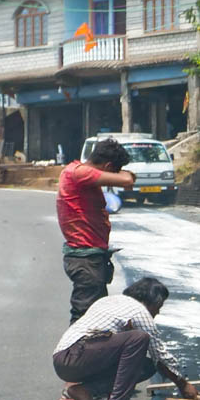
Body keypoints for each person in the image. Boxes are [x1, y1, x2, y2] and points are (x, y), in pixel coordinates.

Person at [52, 276, 198, 400]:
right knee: (139, 338)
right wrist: (183, 385)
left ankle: (84, 391)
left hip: (63, 360)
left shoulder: (108, 301)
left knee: (145, 366)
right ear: (154, 302)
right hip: (75, 356)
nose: (157, 312)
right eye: (159, 307)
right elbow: (159, 355)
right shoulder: (139, 311)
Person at [56, 137, 136, 324]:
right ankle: (71, 352)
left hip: (90, 257)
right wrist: (123, 174)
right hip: (86, 259)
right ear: (108, 166)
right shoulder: (80, 173)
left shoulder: (75, 171)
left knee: (95, 317)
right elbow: (127, 179)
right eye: (113, 170)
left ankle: (86, 351)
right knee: (83, 317)